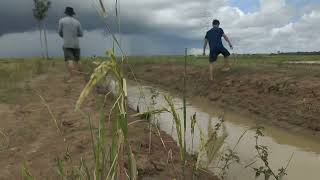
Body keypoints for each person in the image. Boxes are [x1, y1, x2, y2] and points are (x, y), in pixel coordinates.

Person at [58, 7, 83, 82]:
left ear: (66, 13)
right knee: (78, 60)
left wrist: (64, 36)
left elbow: (60, 32)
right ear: (72, 14)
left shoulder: (62, 21)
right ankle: (82, 76)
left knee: (70, 60)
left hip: (67, 43)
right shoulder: (77, 22)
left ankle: (72, 78)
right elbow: (81, 34)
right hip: (76, 44)